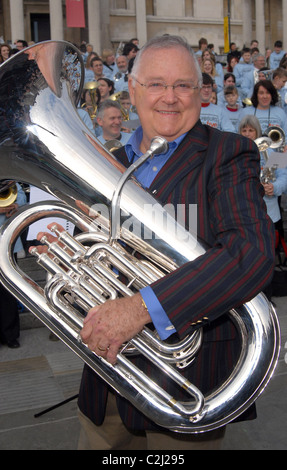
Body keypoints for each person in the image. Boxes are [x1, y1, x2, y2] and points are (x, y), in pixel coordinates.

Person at [33, 35, 275, 450]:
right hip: (105, 385)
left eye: (183, 85)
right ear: (133, 89)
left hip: (183, 387)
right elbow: (96, 259)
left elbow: (249, 255)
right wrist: (66, 260)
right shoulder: (110, 161)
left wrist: (141, 308)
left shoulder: (229, 154)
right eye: (156, 84)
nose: (170, 98)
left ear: (201, 92)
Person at [238, 115, 287, 298]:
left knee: (268, 257)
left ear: (258, 132)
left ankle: (267, 296)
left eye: (251, 130)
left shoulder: (273, 154)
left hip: (270, 214)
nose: (248, 134)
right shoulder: (235, 153)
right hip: (245, 213)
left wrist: (274, 187)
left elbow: (284, 178)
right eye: (244, 130)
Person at [0, 183, 27, 348]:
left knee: (8, 291)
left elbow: (21, 194)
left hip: (6, 242)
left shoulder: (6, 175)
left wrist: (17, 205)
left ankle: (10, 335)